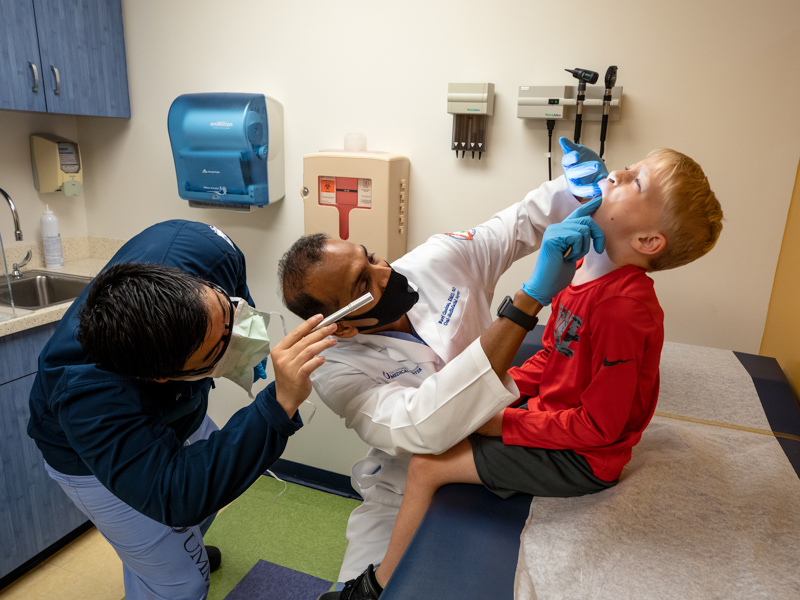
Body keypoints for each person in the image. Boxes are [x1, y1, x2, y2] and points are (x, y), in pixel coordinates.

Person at [335, 147, 724, 598]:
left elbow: (600, 427)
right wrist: (501, 396)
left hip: (585, 459)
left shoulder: (622, 308)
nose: (616, 172)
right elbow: (551, 358)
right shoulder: (580, 274)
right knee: (443, 439)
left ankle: (375, 587)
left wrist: (499, 419)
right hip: (541, 425)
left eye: (635, 180)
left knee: (426, 467)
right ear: (341, 324)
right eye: (629, 167)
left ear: (649, 241)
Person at [278, 139, 607, 588]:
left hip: (496, 443)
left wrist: (574, 189)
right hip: (402, 482)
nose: (385, 272)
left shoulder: (437, 259)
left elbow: (517, 224)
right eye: (362, 283)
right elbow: (423, 427)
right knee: (355, 590)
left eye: (370, 257)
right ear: (343, 326)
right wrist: (526, 303)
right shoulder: (337, 370)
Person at [27, 219, 337, 600]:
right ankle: (159, 570)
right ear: (164, 378)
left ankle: (162, 550)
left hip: (179, 414)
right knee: (181, 584)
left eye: (228, 313)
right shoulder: (89, 400)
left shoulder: (199, 248)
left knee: (204, 505)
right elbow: (173, 493)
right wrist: (279, 404)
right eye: (217, 350)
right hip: (87, 460)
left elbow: (231, 282)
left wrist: (239, 322)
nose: (241, 334)